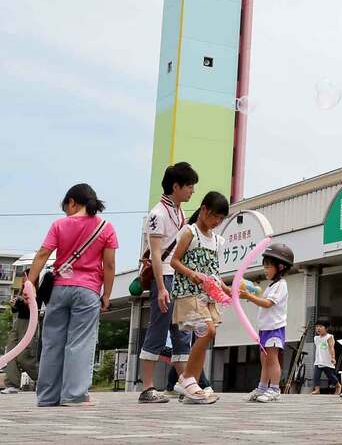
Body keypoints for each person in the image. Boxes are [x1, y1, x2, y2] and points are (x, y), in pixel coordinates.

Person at [27, 183, 118, 407]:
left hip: (59, 289)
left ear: (72, 202)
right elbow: (109, 265)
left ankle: (47, 396)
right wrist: (107, 294)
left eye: (66, 206)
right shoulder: (106, 227)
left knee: (52, 343)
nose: (66, 212)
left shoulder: (59, 225)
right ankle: (74, 396)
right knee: (80, 343)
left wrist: (29, 285)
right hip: (88, 291)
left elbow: (42, 254)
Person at [138, 162, 198, 403]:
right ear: (176, 186)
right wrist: (161, 287)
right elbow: (154, 253)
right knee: (158, 329)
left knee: (182, 331)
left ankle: (186, 385)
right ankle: (148, 388)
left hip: (179, 279)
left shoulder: (179, 211)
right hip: (164, 278)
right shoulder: (157, 214)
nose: (192, 191)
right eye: (189, 186)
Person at [169, 191, 229, 404]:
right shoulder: (189, 232)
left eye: (221, 220)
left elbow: (215, 273)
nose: (216, 222)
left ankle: (190, 383)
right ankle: (185, 379)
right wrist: (192, 273)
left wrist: (227, 289)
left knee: (205, 338)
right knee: (208, 331)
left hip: (207, 296)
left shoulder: (216, 241)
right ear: (203, 210)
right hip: (188, 292)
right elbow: (174, 261)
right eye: (215, 217)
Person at [240, 243, 293, 402]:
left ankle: (275, 388)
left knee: (272, 358)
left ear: (281, 267)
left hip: (274, 329)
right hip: (265, 328)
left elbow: (268, 304)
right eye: (265, 266)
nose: (265, 269)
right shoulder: (271, 286)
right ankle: (262, 387)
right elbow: (263, 301)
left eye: (268, 266)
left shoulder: (281, 285)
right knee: (264, 359)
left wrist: (249, 297)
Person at [2, 268, 38, 394]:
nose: (23, 278)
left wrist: (24, 302)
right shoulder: (23, 288)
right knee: (10, 352)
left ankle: (41, 378)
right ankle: (12, 384)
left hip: (29, 322)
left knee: (24, 356)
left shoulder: (34, 288)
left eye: (25, 276)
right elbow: (16, 310)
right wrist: (15, 304)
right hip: (17, 322)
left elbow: (34, 307)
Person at [308, 320, 341, 396]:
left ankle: (338, 386)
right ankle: (317, 390)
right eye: (317, 327)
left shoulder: (329, 337)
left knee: (330, 375)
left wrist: (333, 357)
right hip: (318, 360)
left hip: (327, 361)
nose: (318, 328)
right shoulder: (316, 338)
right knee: (316, 375)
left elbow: (331, 348)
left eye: (320, 327)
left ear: (326, 328)